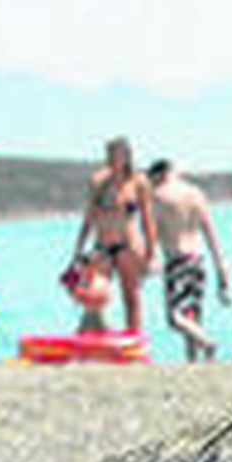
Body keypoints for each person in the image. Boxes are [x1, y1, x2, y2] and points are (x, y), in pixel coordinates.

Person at [148, 159, 232, 361]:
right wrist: (221, 266)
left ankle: (208, 343)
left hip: (176, 260)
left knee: (175, 318)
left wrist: (151, 259)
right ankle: (192, 363)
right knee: (193, 316)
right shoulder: (196, 194)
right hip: (198, 260)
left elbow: (152, 233)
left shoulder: (158, 196)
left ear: (159, 175)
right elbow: (210, 232)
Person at [71, 137, 157, 334]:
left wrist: (150, 252)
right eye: (109, 154)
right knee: (94, 297)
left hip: (128, 245)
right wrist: (79, 247)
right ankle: (93, 333)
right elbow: (89, 216)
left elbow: (147, 220)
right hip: (103, 246)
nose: (111, 159)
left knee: (132, 298)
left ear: (127, 156)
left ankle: (134, 336)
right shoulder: (99, 181)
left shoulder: (138, 182)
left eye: (116, 155)